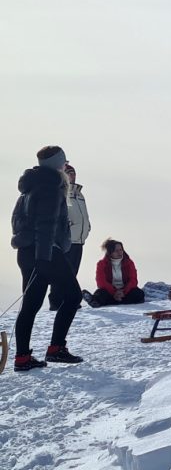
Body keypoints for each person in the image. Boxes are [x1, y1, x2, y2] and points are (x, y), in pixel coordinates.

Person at [10, 145, 84, 372]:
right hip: (45, 252)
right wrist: (44, 256)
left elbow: (17, 220)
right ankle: (56, 348)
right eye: (64, 162)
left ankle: (22, 357)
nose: (65, 166)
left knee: (31, 304)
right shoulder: (51, 186)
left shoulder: (30, 186)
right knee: (73, 296)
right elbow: (46, 225)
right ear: (57, 164)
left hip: (27, 251)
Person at [49, 162, 90, 311]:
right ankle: (56, 301)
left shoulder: (79, 194)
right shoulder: (59, 192)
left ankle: (68, 300)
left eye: (73, 173)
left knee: (72, 272)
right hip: (66, 240)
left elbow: (83, 215)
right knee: (61, 272)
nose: (72, 175)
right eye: (69, 173)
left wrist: (87, 228)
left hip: (79, 240)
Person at [82, 238, 145, 307]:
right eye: (116, 251)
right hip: (109, 292)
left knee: (138, 293)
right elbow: (101, 282)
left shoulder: (129, 263)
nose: (119, 252)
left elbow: (133, 280)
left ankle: (104, 301)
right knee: (101, 293)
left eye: (121, 250)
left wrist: (123, 292)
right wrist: (114, 292)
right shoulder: (101, 264)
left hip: (126, 292)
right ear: (110, 252)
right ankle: (96, 301)